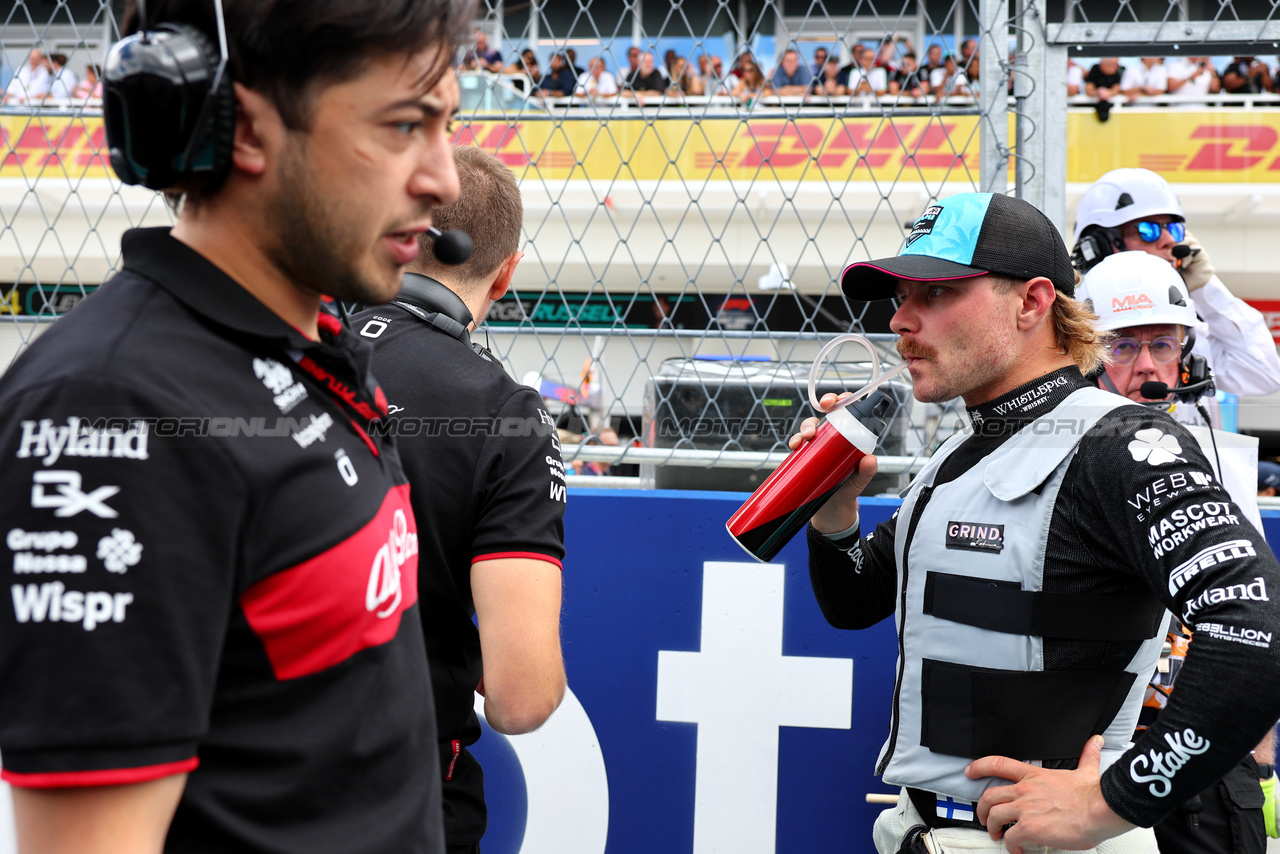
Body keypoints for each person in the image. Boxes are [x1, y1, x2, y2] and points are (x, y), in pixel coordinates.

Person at [0, 0, 471, 851]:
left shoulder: (310, 345)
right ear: (247, 130)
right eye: (405, 125)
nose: (443, 178)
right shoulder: (114, 407)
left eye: (447, 126)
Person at [796, 191, 1280, 854]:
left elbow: (1258, 623)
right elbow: (855, 602)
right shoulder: (963, 450)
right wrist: (834, 510)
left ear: (1032, 303)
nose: (901, 320)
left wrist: (1118, 800)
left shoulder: (1120, 444)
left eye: (934, 295)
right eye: (900, 296)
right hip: (927, 830)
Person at [350, 145, 566, 854]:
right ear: (505, 274)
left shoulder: (284, 342)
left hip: (225, 777)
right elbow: (522, 697)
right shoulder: (503, 411)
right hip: (399, 797)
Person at [1080, 253, 1277, 854]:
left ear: (1184, 351)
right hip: (1092, 759)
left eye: (1162, 345)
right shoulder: (1048, 447)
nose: (1146, 367)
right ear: (1086, 351)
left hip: (1207, 756)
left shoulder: (1217, 460)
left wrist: (1261, 755)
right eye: (1121, 347)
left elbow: (1254, 613)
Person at [1071, 167, 1280, 417]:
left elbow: (1265, 374)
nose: (1170, 240)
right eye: (1149, 230)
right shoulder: (1075, 336)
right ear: (1099, 245)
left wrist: (1204, 287)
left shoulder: (1183, 337)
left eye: (1175, 230)